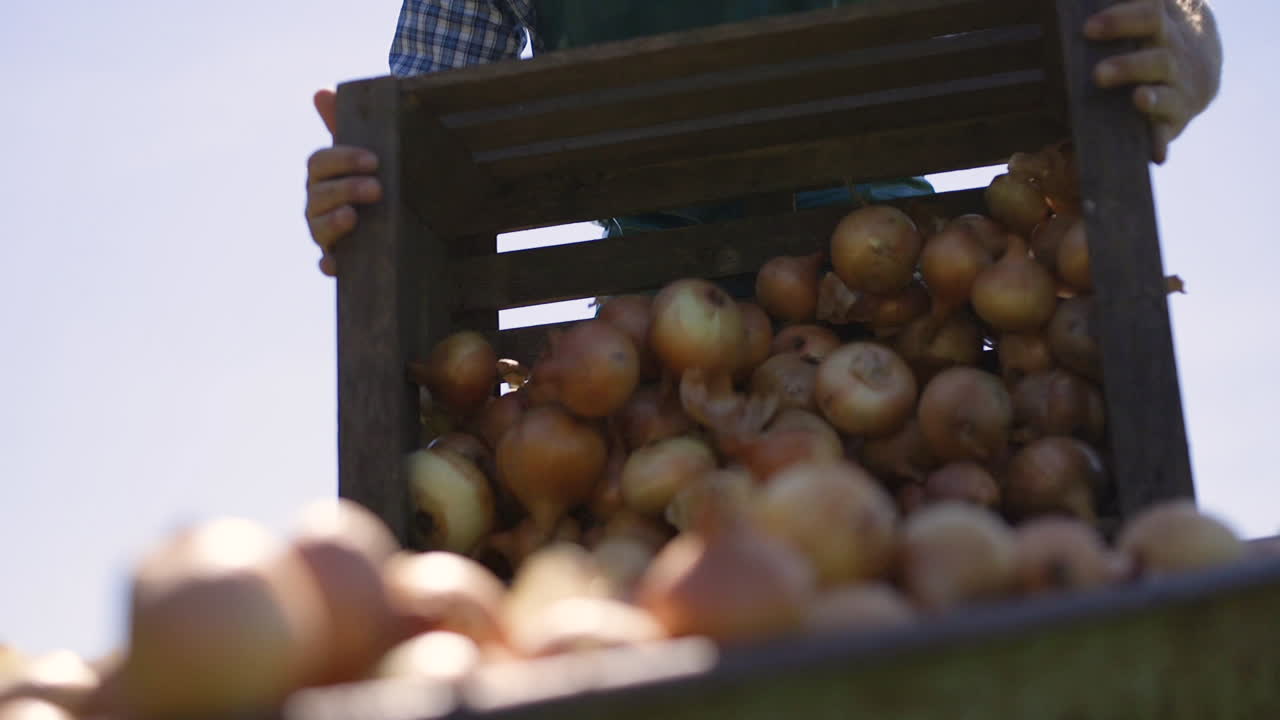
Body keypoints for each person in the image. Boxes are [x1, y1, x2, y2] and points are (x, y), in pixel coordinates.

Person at [304, 0, 1223, 277]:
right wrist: (362, 196)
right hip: (645, 340)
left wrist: (1188, 45)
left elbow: (1158, 12)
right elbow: (415, 128)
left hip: (906, 288)